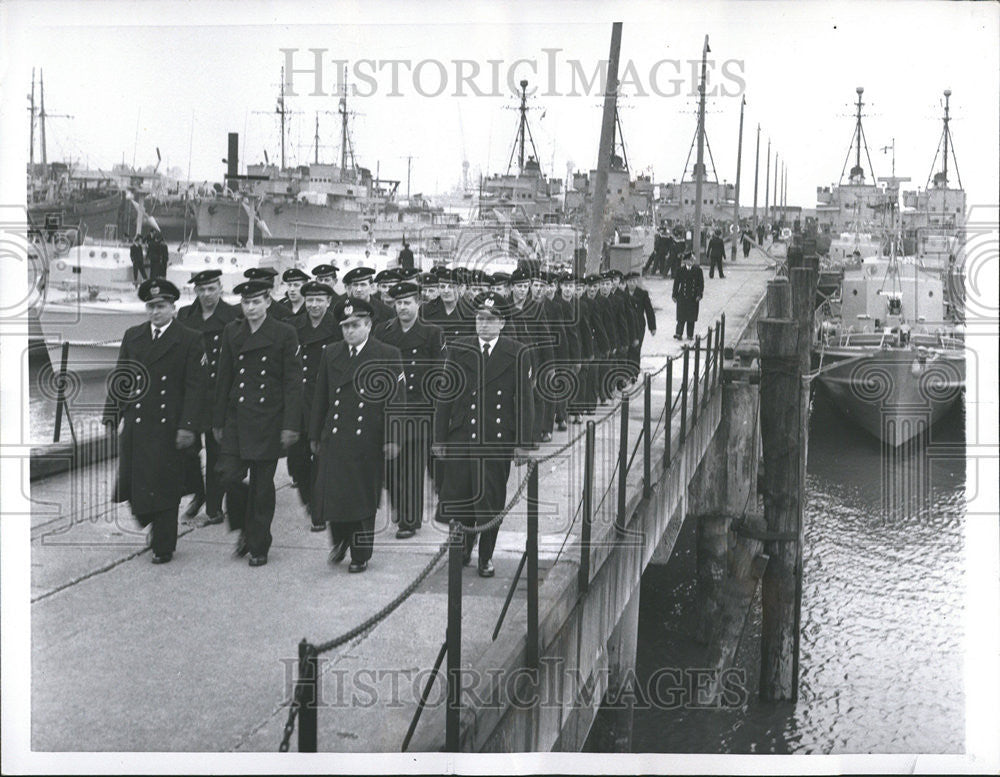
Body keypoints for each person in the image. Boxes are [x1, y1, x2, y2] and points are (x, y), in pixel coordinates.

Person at [101, 278, 206, 564]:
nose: (155, 312)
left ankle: (163, 545)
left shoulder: (189, 338)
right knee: (136, 489)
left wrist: (188, 426)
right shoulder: (133, 336)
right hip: (137, 424)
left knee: (166, 487)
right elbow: (121, 378)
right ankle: (149, 520)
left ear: (173, 307)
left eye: (161, 306)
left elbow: (196, 388)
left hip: (170, 425)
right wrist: (111, 416)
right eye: (151, 306)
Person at [432, 292, 534, 578]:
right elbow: (445, 395)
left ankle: (486, 556)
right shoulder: (459, 348)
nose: (484, 325)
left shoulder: (516, 352)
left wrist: (523, 444)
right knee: (458, 494)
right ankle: (462, 547)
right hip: (461, 436)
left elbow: (525, 401)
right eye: (480, 319)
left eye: (490, 320)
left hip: (495, 439)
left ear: (502, 323)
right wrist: (439, 438)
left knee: (489, 500)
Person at [309, 298, 406, 572]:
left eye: (355, 325)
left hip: (368, 437)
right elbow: (321, 396)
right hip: (336, 436)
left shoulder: (387, 354)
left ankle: (360, 553)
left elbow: (396, 400)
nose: (349, 331)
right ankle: (340, 541)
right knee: (335, 494)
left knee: (362, 498)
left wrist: (393, 437)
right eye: (345, 326)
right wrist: (315, 433)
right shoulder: (331, 353)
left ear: (368, 325)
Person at [213, 279, 303, 566]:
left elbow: (292, 382)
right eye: (245, 302)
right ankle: (244, 528)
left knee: (262, 488)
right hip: (237, 419)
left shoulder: (284, 333)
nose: (250, 308)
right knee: (227, 476)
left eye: (256, 302)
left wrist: (291, 424)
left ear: (268, 301)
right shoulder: (232, 331)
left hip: (268, 420)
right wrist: (217, 420)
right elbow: (223, 378)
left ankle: (259, 544)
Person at [373, 281, 445, 539]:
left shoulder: (432, 333)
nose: (402, 307)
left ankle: (409, 520)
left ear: (418, 303)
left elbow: (440, 373)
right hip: (390, 408)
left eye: (407, 302)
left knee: (412, 467)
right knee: (391, 469)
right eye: (398, 303)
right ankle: (400, 508)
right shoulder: (383, 331)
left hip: (418, 409)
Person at [176, 269, 240, 525]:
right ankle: (198, 493)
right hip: (191, 394)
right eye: (201, 289)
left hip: (219, 394)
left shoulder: (233, 316)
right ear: (195, 291)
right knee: (188, 451)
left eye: (211, 288)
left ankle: (214, 506)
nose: (206, 294)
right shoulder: (185, 315)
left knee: (217, 453)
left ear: (220, 289)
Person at [290, 280, 342, 531]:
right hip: (298, 403)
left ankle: (319, 511)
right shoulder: (294, 327)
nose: (313, 305)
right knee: (297, 462)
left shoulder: (336, 329)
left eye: (319, 300)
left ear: (328, 302)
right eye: (309, 300)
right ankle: (310, 500)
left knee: (321, 460)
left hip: (325, 402)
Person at [624, 271, 656, 378]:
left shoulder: (642, 294)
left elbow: (649, 311)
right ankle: (627, 371)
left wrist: (652, 327)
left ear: (637, 282)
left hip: (639, 326)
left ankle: (634, 372)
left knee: (636, 348)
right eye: (629, 281)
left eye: (634, 281)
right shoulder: (623, 294)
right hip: (626, 326)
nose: (632, 283)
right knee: (628, 349)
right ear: (626, 282)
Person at [672, 252, 704, 340]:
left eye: (693, 259)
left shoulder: (698, 270)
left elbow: (701, 284)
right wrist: (674, 295)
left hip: (693, 298)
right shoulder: (680, 270)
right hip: (682, 296)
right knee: (681, 317)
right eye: (690, 260)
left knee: (691, 318)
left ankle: (690, 335)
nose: (692, 261)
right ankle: (679, 333)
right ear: (686, 261)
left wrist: (699, 295)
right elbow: (676, 284)